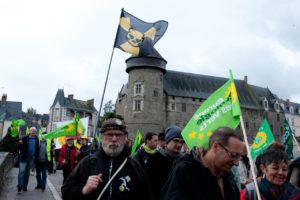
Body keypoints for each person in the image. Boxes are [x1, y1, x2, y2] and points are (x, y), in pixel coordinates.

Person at [61, 118, 154, 200]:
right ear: (102, 137)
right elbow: (66, 191)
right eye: (110, 134)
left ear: (124, 138)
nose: (114, 139)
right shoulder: (87, 162)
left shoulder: (134, 166)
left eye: (118, 135)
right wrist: (83, 190)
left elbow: (147, 195)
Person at [160, 127, 243, 200]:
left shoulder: (228, 175)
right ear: (216, 147)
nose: (237, 163)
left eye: (239, 157)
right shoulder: (185, 172)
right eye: (233, 155)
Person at [145, 126, 184, 200]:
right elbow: (148, 186)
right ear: (168, 140)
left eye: (182, 142)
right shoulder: (155, 159)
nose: (179, 145)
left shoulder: (183, 160)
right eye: (176, 141)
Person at [17, 127, 39, 192]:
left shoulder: (36, 139)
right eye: (32, 132)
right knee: (21, 171)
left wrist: (35, 156)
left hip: (31, 158)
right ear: (29, 131)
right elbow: (19, 148)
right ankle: (20, 185)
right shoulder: (24, 138)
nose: (33, 133)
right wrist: (19, 143)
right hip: (23, 157)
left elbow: (37, 149)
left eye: (34, 132)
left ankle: (25, 186)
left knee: (27, 173)